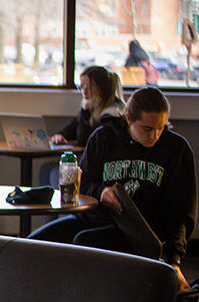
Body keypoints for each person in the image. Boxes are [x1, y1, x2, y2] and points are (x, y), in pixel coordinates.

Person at [30, 87, 197, 289]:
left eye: (161, 127)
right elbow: (83, 183)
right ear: (129, 119)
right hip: (96, 217)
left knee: (83, 242)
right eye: (147, 129)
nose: (155, 135)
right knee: (35, 245)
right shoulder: (103, 138)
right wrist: (101, 192)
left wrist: (175, 260)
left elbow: (181, 212)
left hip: (140, 232)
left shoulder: (176, 149)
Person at [50, 66, 125, 147]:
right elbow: (69, 131)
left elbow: (85, 140)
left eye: (88, 87)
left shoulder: (112, 114)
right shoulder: (92, 109)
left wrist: (84, 111)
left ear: (103, 88)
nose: (84, 92)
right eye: (82, 87)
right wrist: (59, 137)